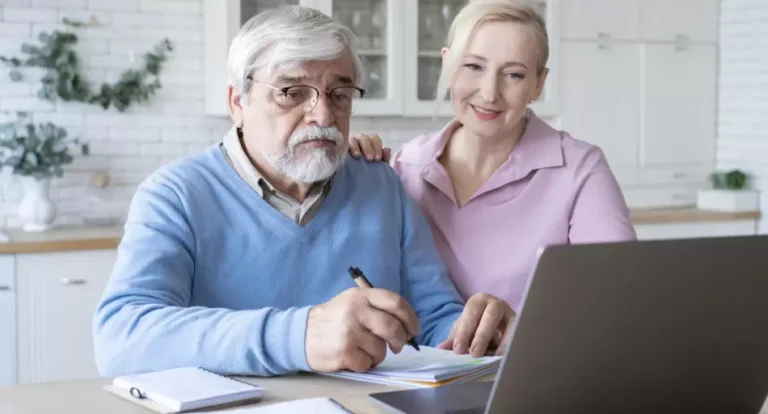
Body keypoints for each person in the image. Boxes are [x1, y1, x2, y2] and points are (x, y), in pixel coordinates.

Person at [92, 6, 514, 378]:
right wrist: (299, 335)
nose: (323, 115)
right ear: (237, 101)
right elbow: (121, 338)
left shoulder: (381, 185)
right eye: (292, 93)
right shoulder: (175, 195)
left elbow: (433, 319)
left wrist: (478, 334)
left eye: (339, 94)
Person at [349, 0, 637, 312]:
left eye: (513, 75)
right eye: (473, 67)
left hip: (534, 345)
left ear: (538, 84)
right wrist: (345, 170)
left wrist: (517, 329)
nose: (489, 93)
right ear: (448, 65)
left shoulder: (579, 171)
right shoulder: (406, 166)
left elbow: (615, 302)